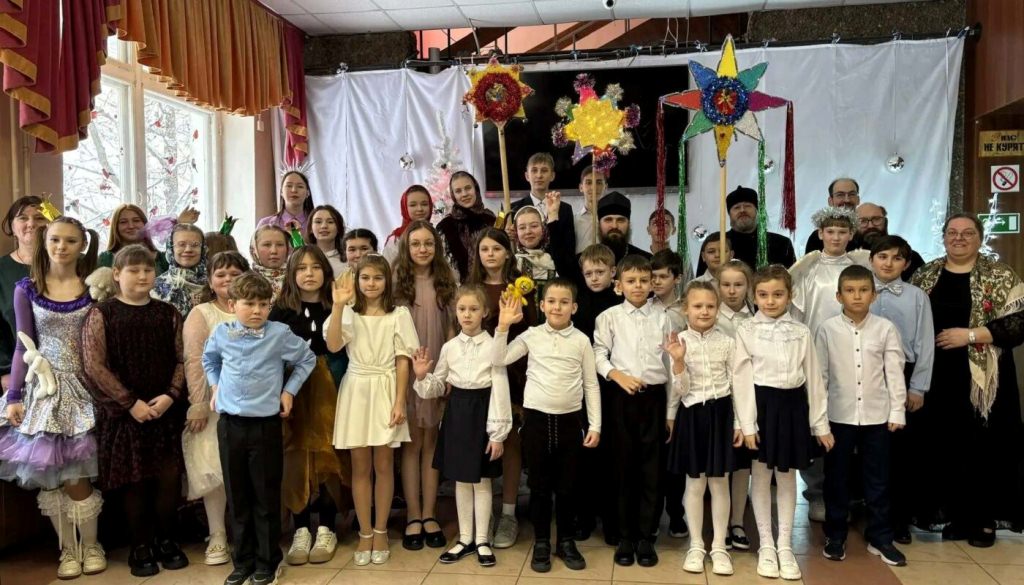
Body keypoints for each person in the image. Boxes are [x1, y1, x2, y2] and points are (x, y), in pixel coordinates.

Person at [0, 217, 106, 579]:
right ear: (45, 242)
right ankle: (67, 549)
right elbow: (23, 345)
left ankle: (91, 544)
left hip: (85, 387)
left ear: (82, 245)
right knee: (51, 475)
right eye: (55, 240)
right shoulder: (27, 289)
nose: (61, 247)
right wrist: (15, 395)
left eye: (70, 241)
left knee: (78, 475)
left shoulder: (93, 287)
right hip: (44, 389)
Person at [911, 213, 1024, 547]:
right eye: (952, 232)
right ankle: (956, 516)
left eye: (967, 233)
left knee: (983, 446)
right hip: (937, 375)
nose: (958, 238)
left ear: (979, 237)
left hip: (984, 378)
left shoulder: (999, 274)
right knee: (945, 443)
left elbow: (1019, 322)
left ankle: (982, 520)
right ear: (944, 237)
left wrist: (970, 335)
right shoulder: (926, 274)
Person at [82, 244, 189, 577]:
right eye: (134, 270)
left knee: (168, 477)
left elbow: (182, 359)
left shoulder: (167, 312)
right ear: (117, 274)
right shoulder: (102, 313)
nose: (142, 276)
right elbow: (94, 365)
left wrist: (171, 395)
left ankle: (166, 539)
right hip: (124, 412)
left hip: (164, 408)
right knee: (136, 481)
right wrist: (130, 403)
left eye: (148, 270)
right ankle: (140, 545)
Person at [204, 272, 316, 585]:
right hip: (230, 425)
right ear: (232, 305)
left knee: (265, 496)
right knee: (237, 496)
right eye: (249, 303)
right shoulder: (222, 333)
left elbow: (306, 359)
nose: (257, 310)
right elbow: (209, 360)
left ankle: (268, 560)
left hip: (265, 425)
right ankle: (243, 561)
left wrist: (289, 391)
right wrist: (215, 386)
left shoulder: (279, 334)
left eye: (263, 304)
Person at [492, 279, 601, 573]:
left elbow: (591, 384)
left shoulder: (581, 340)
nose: (557, 307)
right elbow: (498, 358)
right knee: (539, 487)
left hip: (570, 422)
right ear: (542, 306)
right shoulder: (532, 335)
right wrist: (503, 326)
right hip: (537, 422)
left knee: (567, 487)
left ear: (574, 307)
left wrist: (596, 425)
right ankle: (541, 541)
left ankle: (565, 540)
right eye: (551, 301)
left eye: (564, 302)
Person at [732, 265, 833, 581]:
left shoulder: (801, 331)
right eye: (763, 295)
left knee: (787, 475)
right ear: (754, 296)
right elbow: (741, 379)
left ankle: (785, 545)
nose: (770, 301)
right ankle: (766, 544)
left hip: (792, 407)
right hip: (761, 406)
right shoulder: (747, 330)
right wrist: (747, 424)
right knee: (761, 474)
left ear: (790, 295)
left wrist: (820, 424)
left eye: (778, 294)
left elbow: (814, 378)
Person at [411, 285, 513, 567]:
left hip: (484, 412)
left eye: (473, 309)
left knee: (481, 480)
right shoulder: (450, 347)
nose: (467, 315)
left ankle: (482, 539)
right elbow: (438, 386)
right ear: (455, 312)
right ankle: (465, 538)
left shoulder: (493, 346)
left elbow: (500, 389)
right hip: (457, 413)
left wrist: (497, 434)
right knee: (461, 480)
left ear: (485, 312)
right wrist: (422, 376)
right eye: (462, 309)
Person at [325, 256, 417, 566]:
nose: (371, 283)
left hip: (386, 388)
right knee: (360, 467)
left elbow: (403, 359)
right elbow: (334, 345)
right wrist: (338, 306)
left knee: (384, 465)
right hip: (357, 389)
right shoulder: (349, 313)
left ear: (387, 281)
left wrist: (399, 401)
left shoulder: (398, 314)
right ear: (357, 280)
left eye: (378, 277)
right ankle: (364, 532)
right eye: (365, 277)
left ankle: (381, 530)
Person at [816, 265, 908, 567]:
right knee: (836, 479)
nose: (857, 296)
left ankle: (881, 537)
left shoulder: (885, 328)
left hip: (877, 417)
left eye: (864, 290)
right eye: (850, 291)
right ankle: (835, 535)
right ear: (838, 296)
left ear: (874, 294)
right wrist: (820, 420)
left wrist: (897, 410)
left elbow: (894, 372)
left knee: (878, 479)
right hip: (838, 416)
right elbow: (821, 376)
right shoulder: (827, 329)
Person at [789, 206, 870, 520]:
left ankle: (846, 494)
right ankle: (816, 493)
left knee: (848, 425)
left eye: (842, 232)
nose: (836, 237)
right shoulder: (808, 269)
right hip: (816, 353)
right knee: (816, 423)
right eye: (830, 232)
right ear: (820, 234)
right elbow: (797, 313)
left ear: (851, 235)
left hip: (853, 354)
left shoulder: (860, 268)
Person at [594, 255, 672, 568]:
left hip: (654, 400)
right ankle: (624, 535)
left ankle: (646, 535)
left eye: (643, 280)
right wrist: (617, 375)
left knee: (652, 469)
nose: (637, 286)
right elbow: (598, 353)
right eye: (631, 281)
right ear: (619, 285)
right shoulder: (609, 317)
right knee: (622, 466)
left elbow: (671, 364)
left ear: (652, 283)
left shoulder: (664, 317)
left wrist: (671, 411)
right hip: (621, 397)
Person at [271, 246, 347, 566]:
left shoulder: (338, 305)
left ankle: (327, 526)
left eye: (316, 267)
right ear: (292, 274)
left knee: (329, 452)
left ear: (326, 272)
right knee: (296, 454)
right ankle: (301, 527)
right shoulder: (281, 312)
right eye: (301, 268)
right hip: (294, 392)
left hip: (334, 388)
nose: (309, 274)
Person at [465, 228, 535, 549]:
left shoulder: (521, 288)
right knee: (482, 442)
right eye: (484, 249)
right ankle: (485, 512)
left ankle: (509, 513)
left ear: (508, 252)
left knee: (510, 441)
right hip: (477, 373)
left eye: (496, 248)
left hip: (514, 372)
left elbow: (532, 332)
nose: (490, 254)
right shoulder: (471, 289)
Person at [665, 281, 739, 577]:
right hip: (692, 415)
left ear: (718, 309)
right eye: (697, 306)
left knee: (720, 483)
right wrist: (678, 362)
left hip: (721, 415)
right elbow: (680, 390)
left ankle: (719, 546)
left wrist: (741, 423)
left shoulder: (728, 342)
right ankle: (696, 545)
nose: (704, 311)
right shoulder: (678, 341)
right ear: (686, 309)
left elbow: (736, 385)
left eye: (710, 306)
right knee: (694, 484)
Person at [182, 251, 250, 567]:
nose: (228, 279)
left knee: (245, 471)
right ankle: (218, 535)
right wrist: (198, 403)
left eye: (235, 273)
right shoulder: (202, 313)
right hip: (214, 404)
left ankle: (246, 536)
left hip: (251, 403)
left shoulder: (254, 308)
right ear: (210, 281)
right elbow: (195, 359)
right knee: (215, 471)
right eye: (221, 274)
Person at [392, 221, 457, 552]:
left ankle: (430, 513)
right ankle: (413, 515)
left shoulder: (447, 280)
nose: (422, 249)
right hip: (404, 368)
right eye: (415, 243)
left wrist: (446, 373)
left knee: (431, 442)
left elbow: (452, 330)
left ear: (437, 247)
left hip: (435, 367)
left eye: (428, 243)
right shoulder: (396, 282)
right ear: (406, 247)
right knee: (411, 444)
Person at [868, 236, 934, 544]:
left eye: (896, 258)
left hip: (902, 373)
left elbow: (925, 343)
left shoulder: (917, 297)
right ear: (871, 260)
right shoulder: (858, 291)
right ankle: (870, 515)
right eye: (882, 256)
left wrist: (917, 387)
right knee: (871, 450)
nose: (888, 263)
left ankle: (898, 519)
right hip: (866, 373)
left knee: (901, 453)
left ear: (906, 264)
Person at [570, 243, 622, 543]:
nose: (594, 278)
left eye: (600, 272)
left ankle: (612, 518)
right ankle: (584, 515)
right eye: (588, 273)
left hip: (612, 384)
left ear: (613, 272)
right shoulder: (578, 302)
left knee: (611, 453)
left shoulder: (620, 302)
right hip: (582, 384)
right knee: (585, 451)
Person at [715, 260, 755, 551]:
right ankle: (719, 524)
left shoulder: (755, 318)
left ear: (748, 286)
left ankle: (737, 521)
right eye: (726, 284)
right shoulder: (711, 315)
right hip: (718, 397)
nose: (732, 291)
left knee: (743, 464)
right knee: (722, 463)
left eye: (738, 284)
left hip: (748, 397)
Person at [0, 196, 49, 395]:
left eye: (39, 218)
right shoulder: (2, 270)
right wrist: (5, 370)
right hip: (18, 373)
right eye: (23, 218)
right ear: (12, 227)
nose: (31, 223)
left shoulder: (74, 264)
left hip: (68, 370)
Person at [697, 186, 795, 276]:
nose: (742, 210)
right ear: (729, 214)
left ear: (756, 210)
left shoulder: (782, 244)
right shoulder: (716, 244)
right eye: (736, 207)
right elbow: (702, 283)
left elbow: (794, 281)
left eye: (748, 206)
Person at [510, 152, 576, 251]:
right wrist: (505, 234)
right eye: (534, 170)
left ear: (552, 176)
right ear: (527, 176)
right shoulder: (513, 209)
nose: (539, 175)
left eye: (544, 171)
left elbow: (569, 247)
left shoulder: (565, 209)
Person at [437, 171, 496, 278]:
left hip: (491, 279)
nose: (464, 194)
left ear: (476, 189)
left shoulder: (490, 219)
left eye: (468, 188)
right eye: (458, 191)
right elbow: (443, 264)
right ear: (453, 195)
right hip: (460, 285)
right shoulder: (445, 226)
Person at [855, 203, 925, 281]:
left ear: (885, 222)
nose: (871, 226)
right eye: (863, 221)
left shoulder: (910, 257)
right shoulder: (848, 257)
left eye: (876, 219)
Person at [151, 223, 207, 316]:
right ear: (171, 248)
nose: (188, 249)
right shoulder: (156, 286)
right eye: (181, 244)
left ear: (203, 249)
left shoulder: (214, 283)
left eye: (195, 245)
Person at [97, 203, 170, 274]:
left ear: (145, 224)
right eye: (123, 222)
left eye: (136, 220)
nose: (131, 226)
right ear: (115, 227)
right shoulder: (105, 260)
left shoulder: (164, 259)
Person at [804, 177, 862, 254]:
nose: (847, 200)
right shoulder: (817, 237)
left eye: (852, 194)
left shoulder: (865, 233)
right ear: (830, 201)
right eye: (840, 195)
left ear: (858, 199)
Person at [383, 185, 434, 264]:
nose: (420, 209)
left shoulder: (437, 235)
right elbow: (387, 269)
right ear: (405, 208)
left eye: (424, 204)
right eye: (413, 205)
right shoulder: (396, 240)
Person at [514, 204, 558, 295]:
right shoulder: (512, 263)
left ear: (543, 229)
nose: (528, 231)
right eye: (522, 228)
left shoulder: (556, 258)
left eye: (534, 226)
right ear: (516, 232)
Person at [249, 225, 291, 303]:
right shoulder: (246, 281)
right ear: (254, 249)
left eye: (280, 245)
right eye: (267, 245)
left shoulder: (296, 279)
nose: (274, 251)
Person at [649, 249, 686, 332]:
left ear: (678, 278)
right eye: (653, 276)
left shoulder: (687, 309)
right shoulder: (644, 306)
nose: (657, 282)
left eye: (663, 277)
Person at [574, 166, 608, 253]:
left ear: (606, 187)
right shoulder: (573, 220)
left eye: (599, 183)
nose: (593, 187)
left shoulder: (612, 220)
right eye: (588, 183)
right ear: (581, 187)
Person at [305, 205, 347, 276]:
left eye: (330, 222)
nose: (324, 226)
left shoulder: (348, 259)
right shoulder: (303, 257)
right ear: (310, 228)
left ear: (339, 228)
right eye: (318, 222)